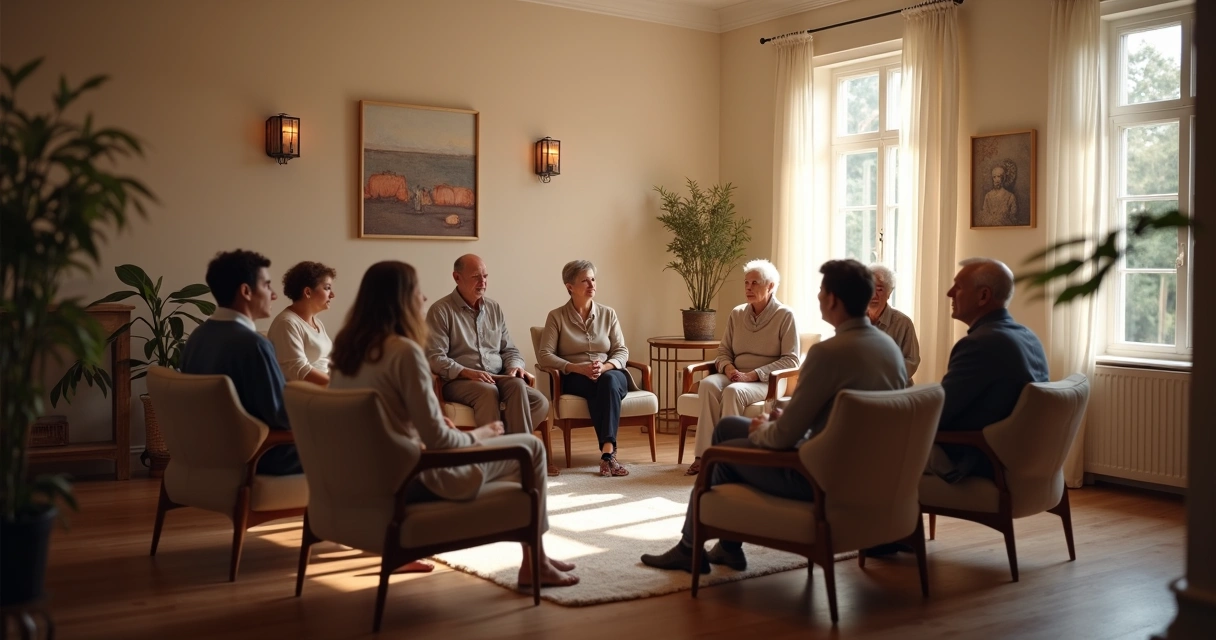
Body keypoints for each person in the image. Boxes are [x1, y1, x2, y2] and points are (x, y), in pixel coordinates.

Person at [640, 259, 907, 573]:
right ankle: (727, 548)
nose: (818, 297)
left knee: (719, 457)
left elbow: (784, 437)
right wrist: (776, 419)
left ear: (833, 300)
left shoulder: (829, 354)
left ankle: (690, 547)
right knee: (727, 427)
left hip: (815, 477)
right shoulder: (889, 349)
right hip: (866, 474)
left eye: (821, 292)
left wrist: (763, 428)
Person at [328, 261, 577, 588]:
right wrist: (480, 434)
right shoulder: (404, 352)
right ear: (400, 299)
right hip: (416, 480)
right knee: (529, 450)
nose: (423, 297)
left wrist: (426, 426)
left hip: (367, 481)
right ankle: (535, 562)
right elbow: (441, 442)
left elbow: (380, 422)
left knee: (517, 417)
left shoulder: (346, 351)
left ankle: (538, 558)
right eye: (417, 291)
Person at [425, 254, 554, 474]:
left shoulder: (494, 309)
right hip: (460, 380)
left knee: (536, 399)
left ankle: (513, 455)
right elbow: (435, 357)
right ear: (457, 277)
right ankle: (494, 461)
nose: (482, 282)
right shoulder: (440, 311)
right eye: (476, 276)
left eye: (485, 276)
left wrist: (515, 366)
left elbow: (509, 349)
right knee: (487, 391)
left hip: (498, 377)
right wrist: (467, 372)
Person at [180, 249, 300, 475]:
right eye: (267, 285)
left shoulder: (198, 337)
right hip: (261, 456)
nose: (274, 295)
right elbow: (282, 418)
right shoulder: (253, 345)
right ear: (246, 291)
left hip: (211, 454)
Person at [930, 257, 1049, 483]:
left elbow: (938, 413)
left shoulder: (980, 344)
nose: (949, 293)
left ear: (983, 296)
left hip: (975, 460)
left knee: (879, 443)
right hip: (1014, 456)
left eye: (958, 286)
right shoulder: (1027, 336)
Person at [684, 259, 799, 476]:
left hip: (767, 380)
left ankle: (730, 459)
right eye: (746, 283)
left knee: (732, 392)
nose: (748, 287)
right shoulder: (737, 314)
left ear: (771, 286)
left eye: (755, 283)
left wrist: (753, 375)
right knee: (708, 385)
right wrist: (728, 369)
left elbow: (791, 360)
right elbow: (724, 351)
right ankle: (703, 456)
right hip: (735, 373)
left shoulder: (785, 315)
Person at [537, 260, 634, 478]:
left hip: (610, 373)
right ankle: (610, 455)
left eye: (593, 279)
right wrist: (577, 368)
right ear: (569, 286)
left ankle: (607, 452)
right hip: (575, 377)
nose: (591, 284)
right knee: (599, 387)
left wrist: (606, 366)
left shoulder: (609, 314)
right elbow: (545, 355)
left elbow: (622, 351)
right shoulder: (556, 316)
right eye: (584, 280)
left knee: (606, 382)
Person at [267, 261, 336, 386]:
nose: (332, 295)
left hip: (324, 387)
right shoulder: (287, 323)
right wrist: (337, 384)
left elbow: (325, 361)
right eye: (327, 288)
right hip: (306, 393)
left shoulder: (317, 322)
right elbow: (299, 370)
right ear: (308, 292)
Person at [867, 264, 920, 377]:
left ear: (889, 293)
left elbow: (911, 363)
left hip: (894, 389)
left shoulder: (903, 323)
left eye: (879, 289)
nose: (873, 295)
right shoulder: (854, 320)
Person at [978, 161, 1019, 226]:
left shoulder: (1010, 196)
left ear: (1004, 178)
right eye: (994, 177)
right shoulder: (988, 196)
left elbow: (1013, 218)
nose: (996, 180)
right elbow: (985, 214)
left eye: (999, 176)